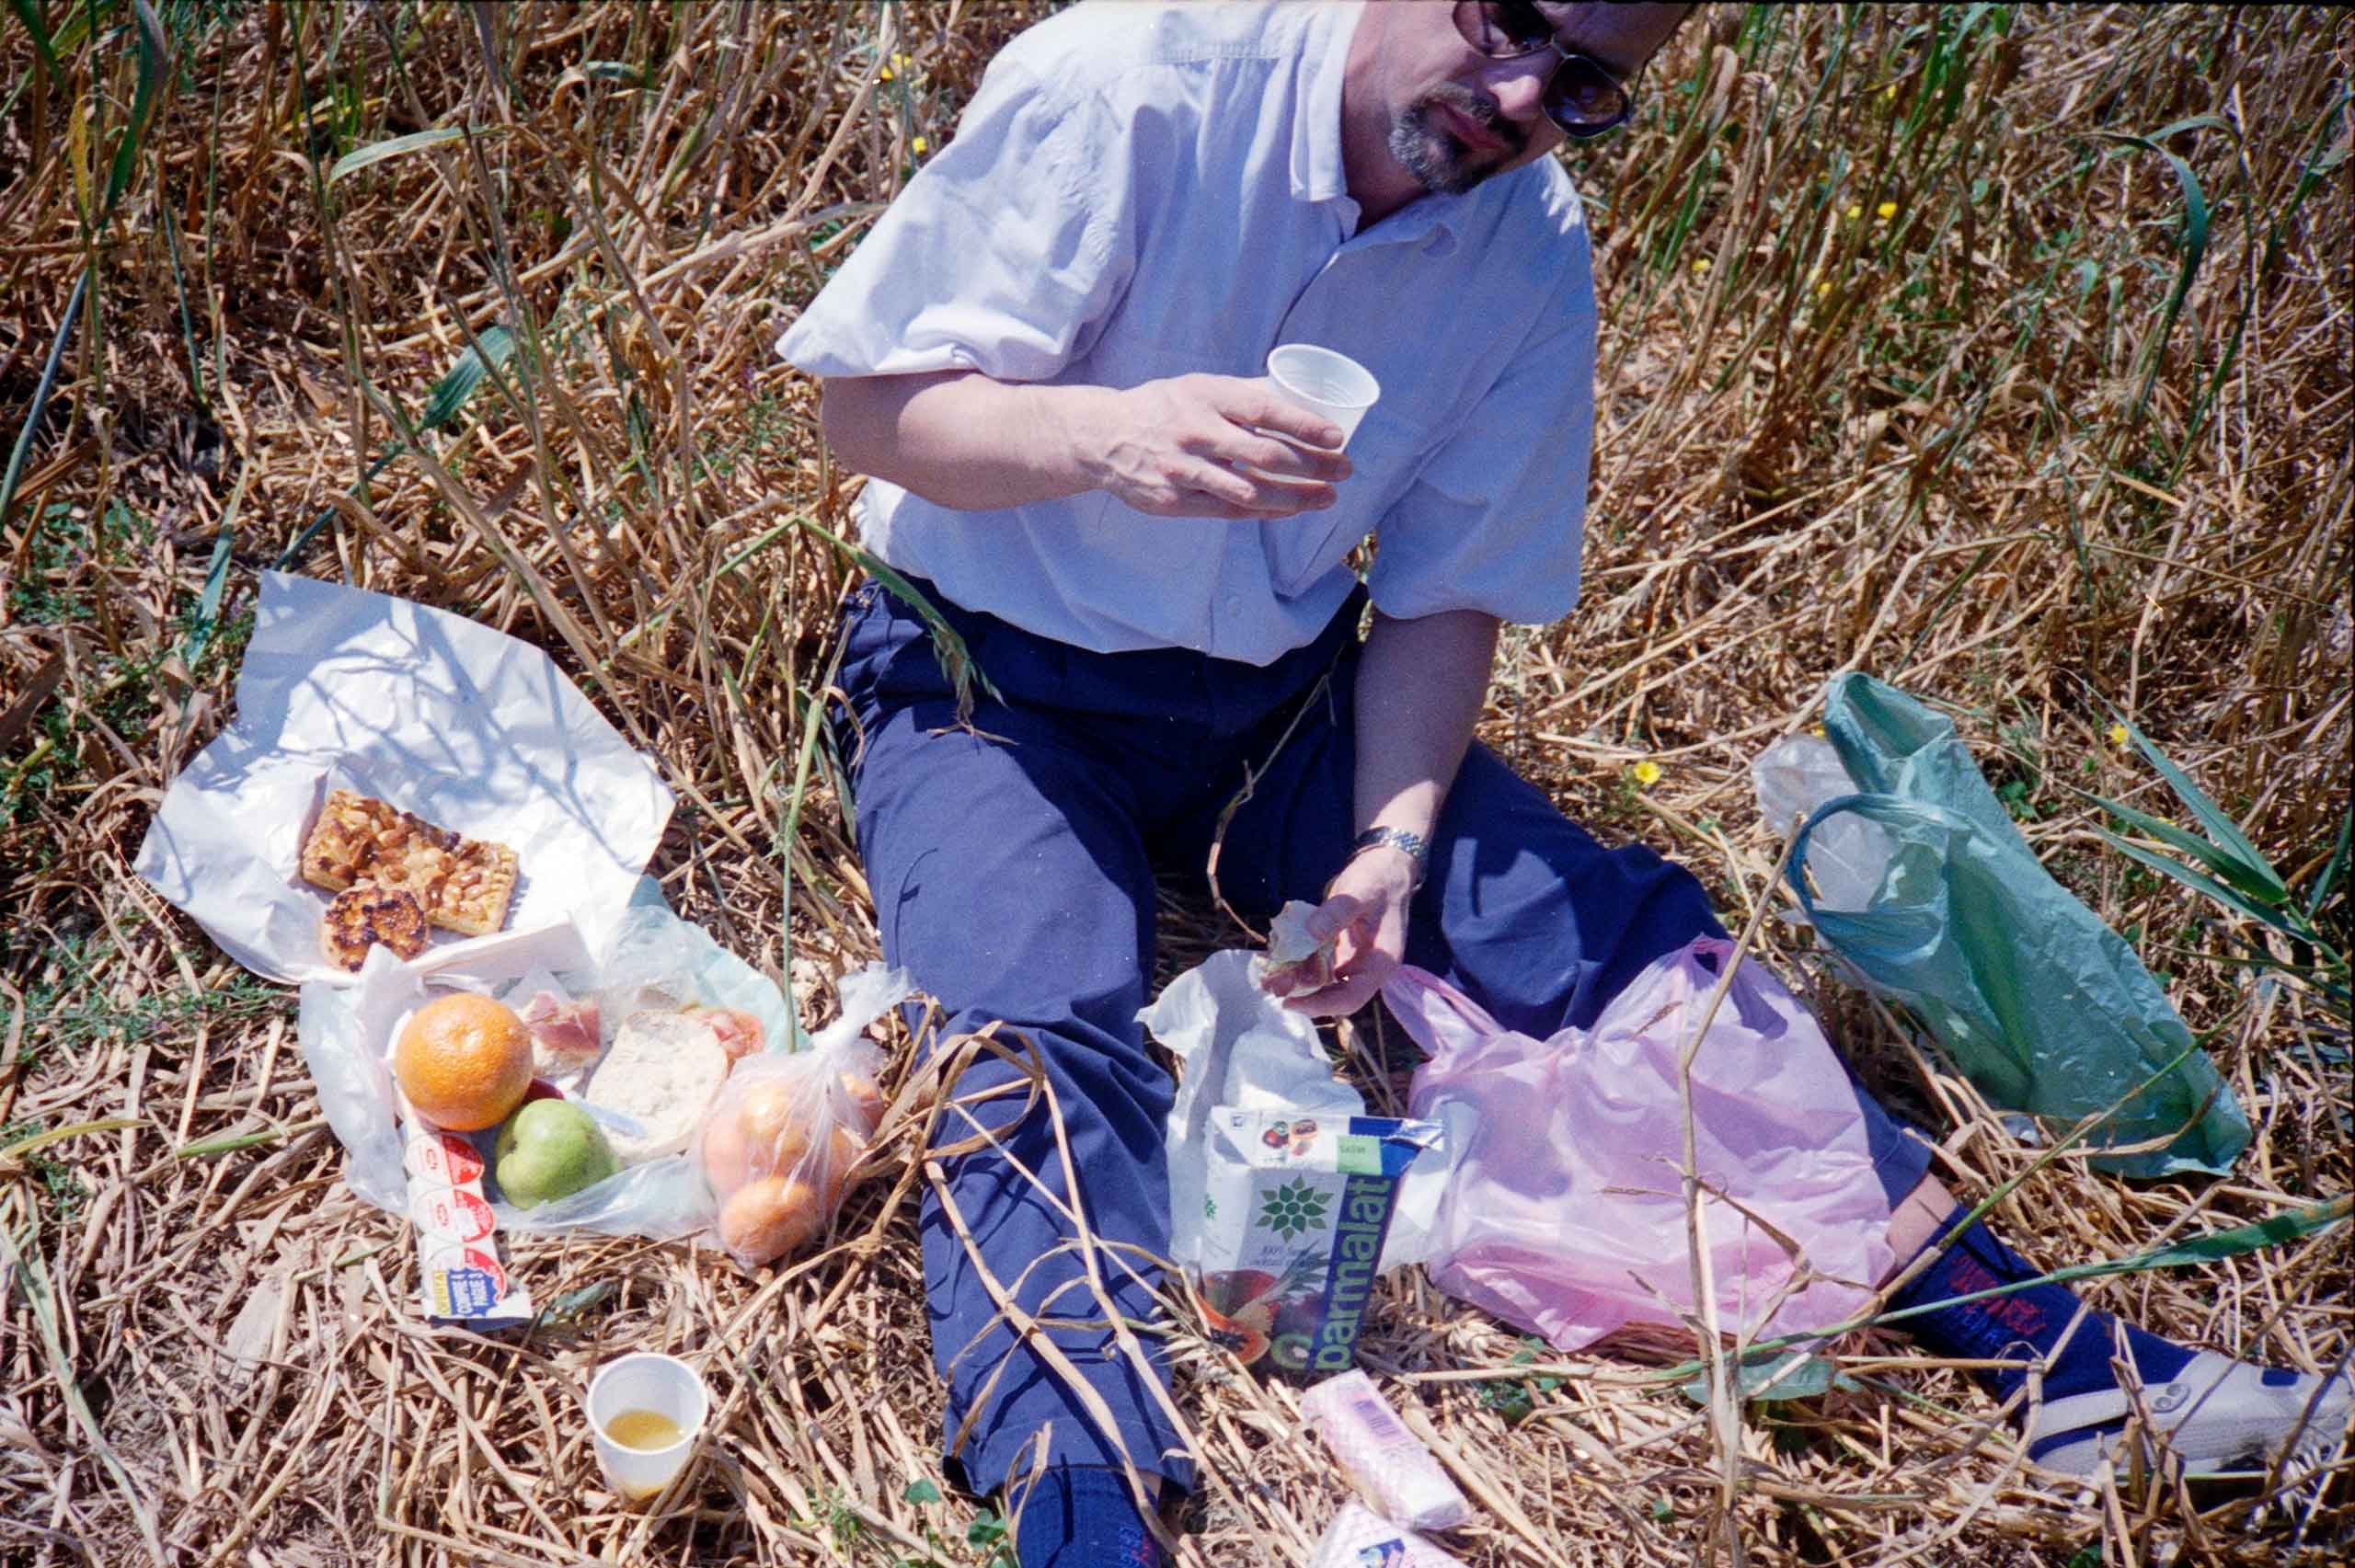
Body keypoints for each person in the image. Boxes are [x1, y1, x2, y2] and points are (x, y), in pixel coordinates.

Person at [778, 4, 2350, 1562]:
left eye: (1587, 82)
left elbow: (1446, 589)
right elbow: (866, 406)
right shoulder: (1138, 83)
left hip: (1276, 703)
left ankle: (2069, 1368)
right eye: (1507, 18)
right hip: (990, 678)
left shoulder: (1525, 250)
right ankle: (1086, 1520)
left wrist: (1393, 841)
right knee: (1034, 1040)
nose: (1520, 92)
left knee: (1616, 941)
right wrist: (1106, 438)